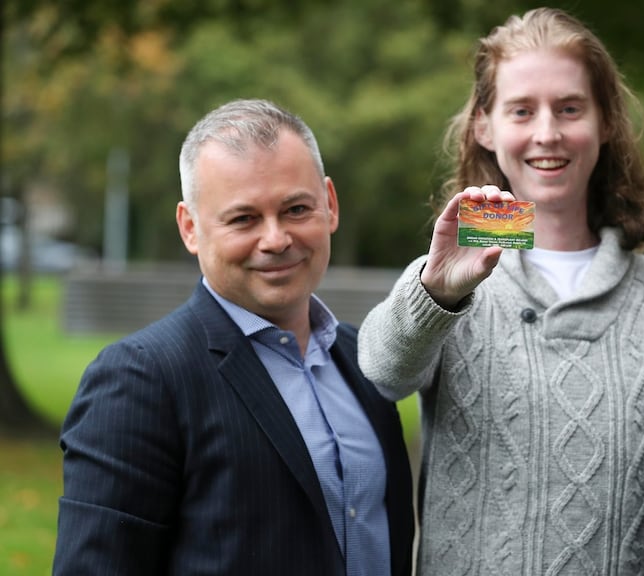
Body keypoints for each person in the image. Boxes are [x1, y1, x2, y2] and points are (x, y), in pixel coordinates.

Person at [357, 7, 644, 575]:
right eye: (522, 110)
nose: (547, 133)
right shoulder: (448, 283)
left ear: (604, 122)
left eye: (570, 108)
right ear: (484, 125)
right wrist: (436, 293)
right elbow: (382, 370)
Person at [53, 98, 414, 575]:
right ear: (190, 228)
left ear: (330, 205)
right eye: (244, 218)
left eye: (296, 208)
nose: (276, 239)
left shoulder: (364, 357)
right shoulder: (139, 379)